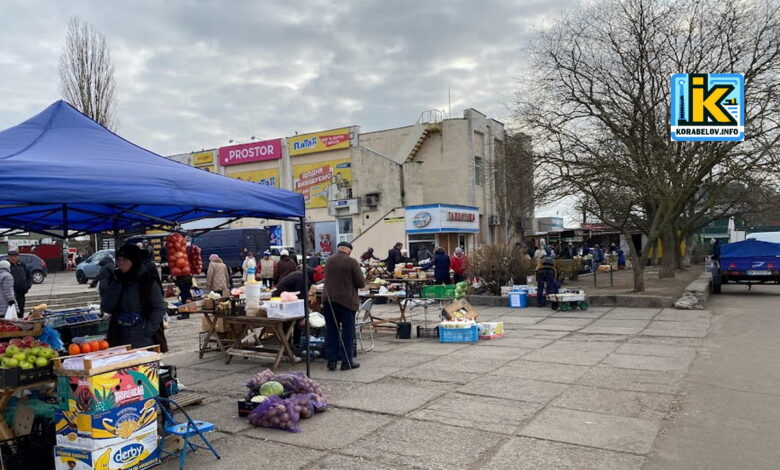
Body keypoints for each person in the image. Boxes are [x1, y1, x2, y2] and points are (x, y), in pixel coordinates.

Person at [102, 244, 167, 351]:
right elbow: (106, 307)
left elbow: (159, 308)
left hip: (143, 339)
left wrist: (147, 330)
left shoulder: (148, 282)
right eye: (118, 260)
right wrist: (116, 284)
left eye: (125, 260)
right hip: (119, 337)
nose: (121, 263)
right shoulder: (116, 280)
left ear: (134, 261)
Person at [322, 241, 365, 371]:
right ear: (349, 250)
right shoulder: (351, 262)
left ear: (338, 249)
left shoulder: (329, 260)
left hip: (329, 301)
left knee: (331, 330)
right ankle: (346, 362)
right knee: (347, 332)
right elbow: (360, 282)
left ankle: (331, 361)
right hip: (347, 301)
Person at [7, 251, 31, 315]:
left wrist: (27, 286)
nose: (13, 258)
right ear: (8, 257)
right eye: (11, 257)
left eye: (15, 256)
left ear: (18, 257)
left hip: (21, 293)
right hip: (11, 294)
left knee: (21, 310)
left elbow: (29, 276)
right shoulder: (7, 266)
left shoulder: (22, 265)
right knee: (11, 312)